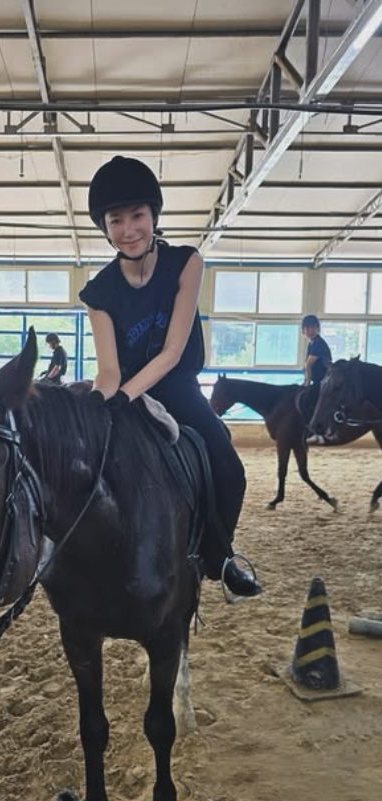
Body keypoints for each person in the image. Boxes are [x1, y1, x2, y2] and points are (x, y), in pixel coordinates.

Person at [79, 155, 261, 598]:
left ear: (153, 216)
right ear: (105, 227)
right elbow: (108, 370)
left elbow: (172, 351)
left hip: (177, 387)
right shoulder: (98, 291)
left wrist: (122, 397)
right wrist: (100, 406)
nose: (128, 229)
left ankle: (220, 556)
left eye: (137, 215)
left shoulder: (186, 262)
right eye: (116, 220)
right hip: (124, 391)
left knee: (230, 469)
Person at [301, 314, 333, 444]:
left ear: (317, 328)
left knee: (310, 403)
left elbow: (308, 365)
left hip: (324, 382)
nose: (310, 330)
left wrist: (307, 383)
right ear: (303, 330)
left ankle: (316, 433)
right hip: (319, 381)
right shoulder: (312, 343)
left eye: (313, 327)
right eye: (307, 328)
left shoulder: (318, 343)